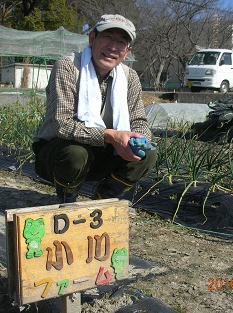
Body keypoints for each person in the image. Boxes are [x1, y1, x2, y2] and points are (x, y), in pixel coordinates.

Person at [32, 14, 157, 203]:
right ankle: (68, 199)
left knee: (147, 154)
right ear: (92, 39)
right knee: (76, 153)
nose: (113, 47)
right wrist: (110, 136)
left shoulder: (129, 77)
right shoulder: (68, 67)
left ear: (127, 51)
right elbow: (63, 125)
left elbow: (138, 119)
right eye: (108, 38)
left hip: (102, 152)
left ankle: (104, 198)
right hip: (58, 152)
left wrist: (138, 140)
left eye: (121, 42)